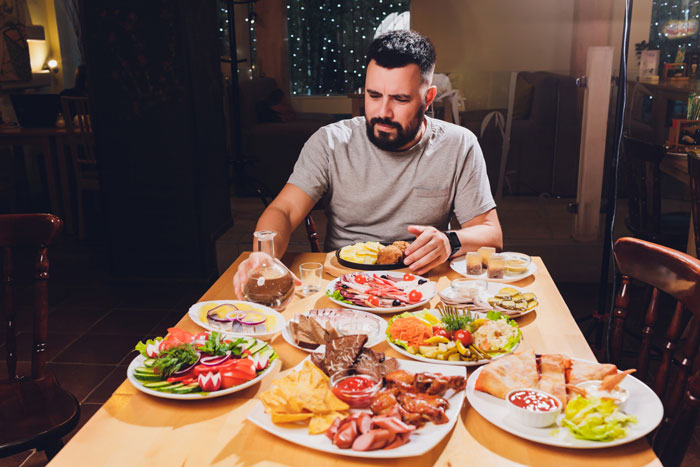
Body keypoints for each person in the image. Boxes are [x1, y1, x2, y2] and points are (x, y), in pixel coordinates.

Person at [234, 30, 502, 298]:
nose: (383, 112)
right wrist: (264, 255)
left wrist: (449, 241)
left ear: (428, 98)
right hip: (343, 286)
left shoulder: (459, 144)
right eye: (374, 95)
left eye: (400, 99)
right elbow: (284, 210)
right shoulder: (330, 142)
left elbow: (491, 235)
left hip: (420, 287)